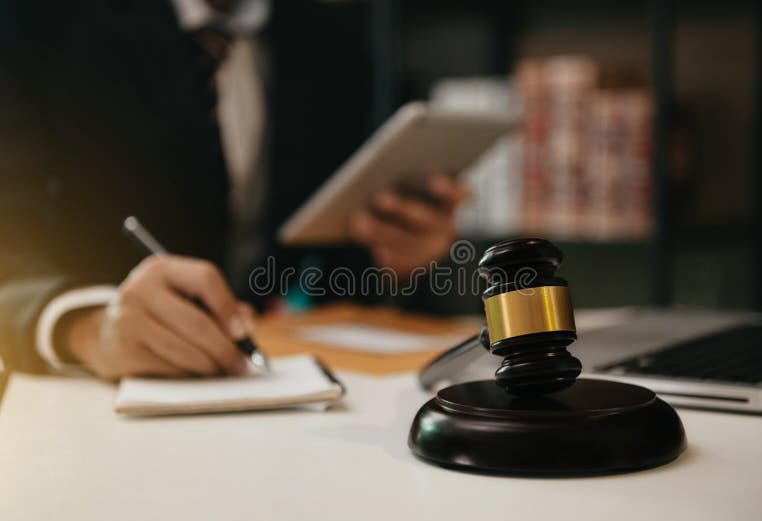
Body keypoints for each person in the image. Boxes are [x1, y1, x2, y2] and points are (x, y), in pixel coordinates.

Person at [0, 0, 468, 380]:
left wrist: (391, 258)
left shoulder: (330, 35)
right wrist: (86, 325)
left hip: (263, 387)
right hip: (90, 404)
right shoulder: (37, 19)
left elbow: (321, 265)